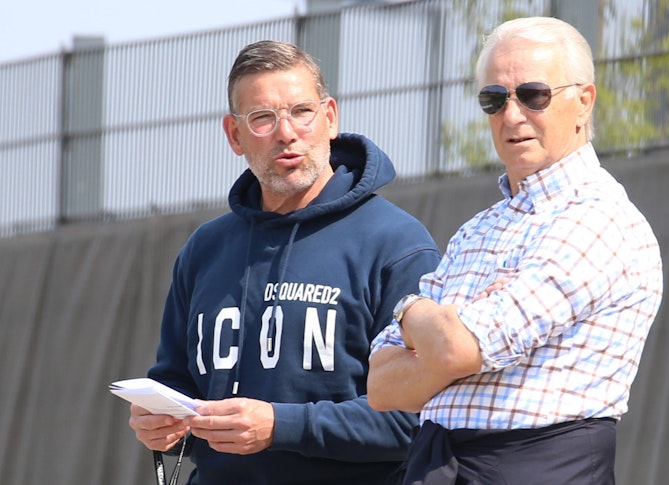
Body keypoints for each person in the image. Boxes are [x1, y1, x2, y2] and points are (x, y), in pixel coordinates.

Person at [127, 40, 442, 485]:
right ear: (234, 135)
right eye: (262, 118)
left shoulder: (397, 244)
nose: (286, 132)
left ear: (330, 117)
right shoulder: (205, 249)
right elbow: (176, 383)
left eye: (301, 111)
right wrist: (161, 421)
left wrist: (281, 425)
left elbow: (419, 418)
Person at [367, 16, 663, 485]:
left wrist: (413, 312)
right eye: (494, 99)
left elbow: (461, 348)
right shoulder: (476, 230)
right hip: (438, 464)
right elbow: (381, 386)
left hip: (540, 467)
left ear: (584, 101)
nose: (512, 115)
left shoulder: (598, 219)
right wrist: (442, 329)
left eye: (533, 95)